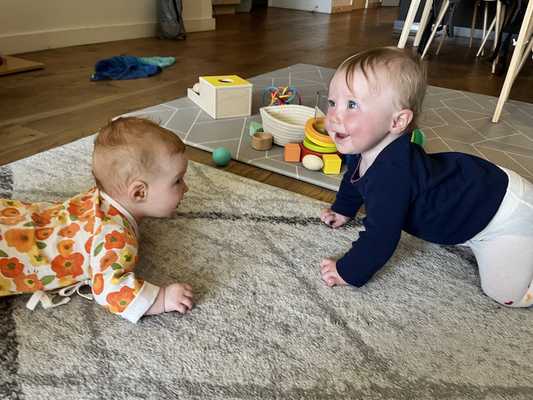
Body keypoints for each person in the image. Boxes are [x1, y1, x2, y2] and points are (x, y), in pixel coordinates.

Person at [319, 46, 533, 308]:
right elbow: (355, 178)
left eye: (352, 105)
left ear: (397, 122)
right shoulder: (366, 148)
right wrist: (343, 209)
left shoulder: (392, 176)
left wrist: (347, 271)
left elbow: (381, 237)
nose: (335, 116)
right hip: (479, 196)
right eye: (332, 102)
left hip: (503, 215)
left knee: (506, 294)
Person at [0, 117, 194, 322]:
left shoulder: (97, 198)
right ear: (138, 193)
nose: (186, 188)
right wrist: (163, 298)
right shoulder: (114, 236)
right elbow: (110, 290)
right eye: (178, 181)